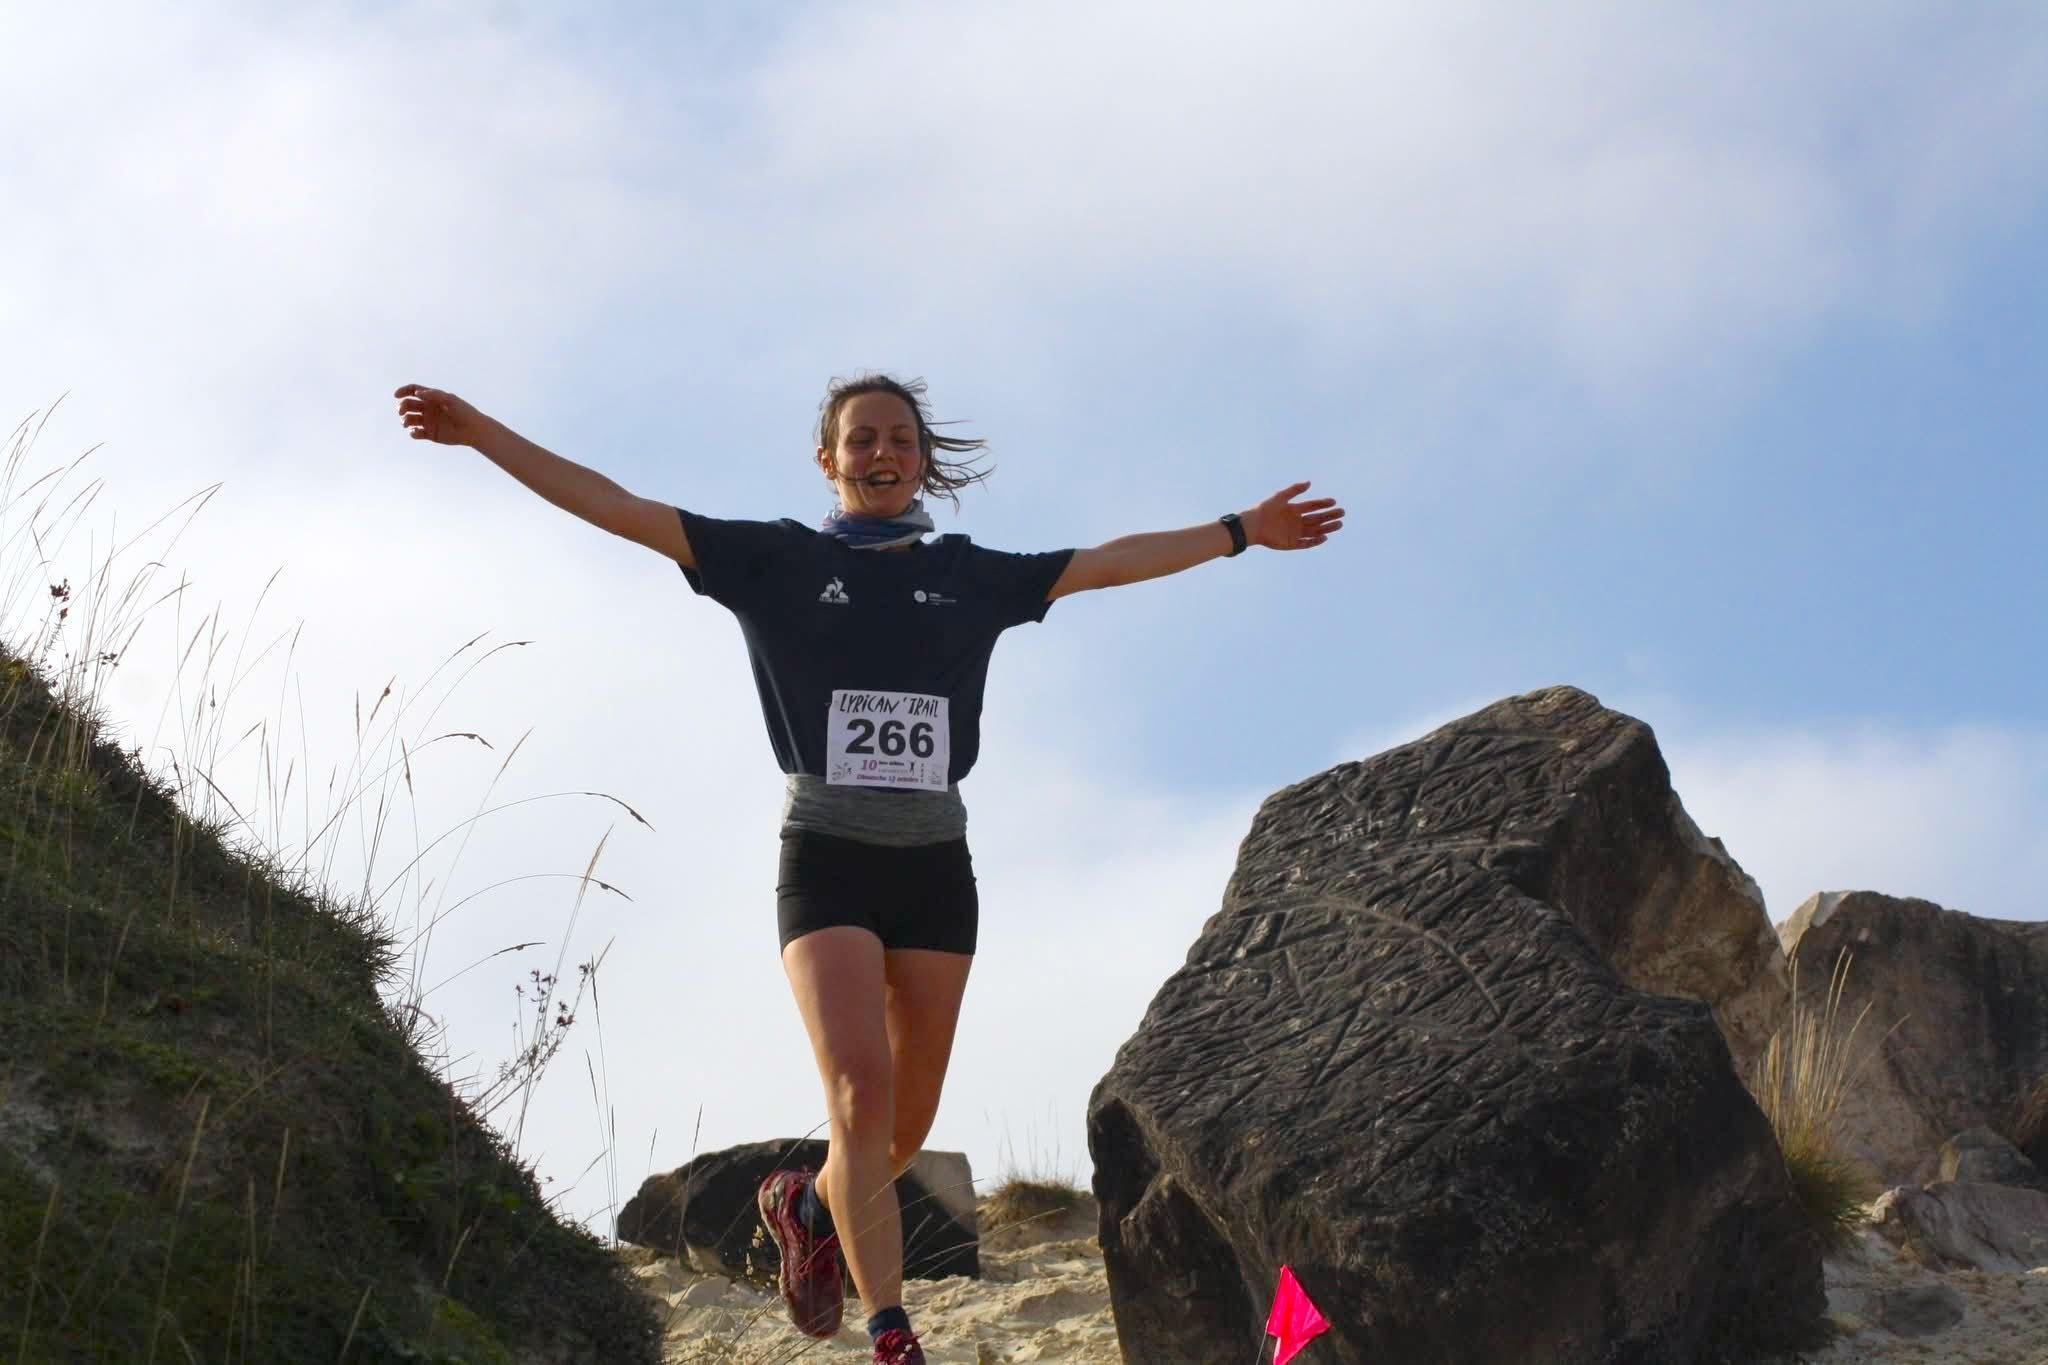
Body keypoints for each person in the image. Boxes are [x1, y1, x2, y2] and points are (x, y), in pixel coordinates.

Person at [393, 374, 1344, 1364]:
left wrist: (1240, 529)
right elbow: (618, 507)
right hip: (827, 857)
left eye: (898, 438)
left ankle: (803, 1202)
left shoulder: (972, 575)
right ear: (829, 461)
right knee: (856, 1093)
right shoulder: (771, 560)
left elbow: (1104, 565)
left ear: (921, 459)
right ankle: (890, 1329)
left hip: (935, 859)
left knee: (898, 1123)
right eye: (860, 440)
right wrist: (482, 436)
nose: (880, 453)